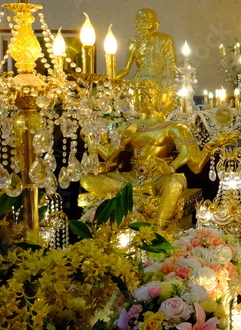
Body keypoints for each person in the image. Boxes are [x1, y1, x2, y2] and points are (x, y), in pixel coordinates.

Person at [82, 82, 223, 229]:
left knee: (175, 182)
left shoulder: (174, 127)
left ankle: (158, 228)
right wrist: (121, 143)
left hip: (159, 178)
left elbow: (195, 165)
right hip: (131, 179)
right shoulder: (126, 127)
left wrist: (206, 149)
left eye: (149, 96)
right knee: (87, 180)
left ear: (162, 99)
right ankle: (136, 191)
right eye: (141, 96)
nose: (144, 100)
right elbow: (111, 158)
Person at [116, 8, 178, 103]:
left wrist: (166, 82)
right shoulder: (134, 41)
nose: (142, 28)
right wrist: (111, 78)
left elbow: (171, 64)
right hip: (141, 79)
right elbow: (125, 69)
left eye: (146, 23)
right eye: (139, 24)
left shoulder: (165, 40)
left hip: (161, 80)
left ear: (156, 25)